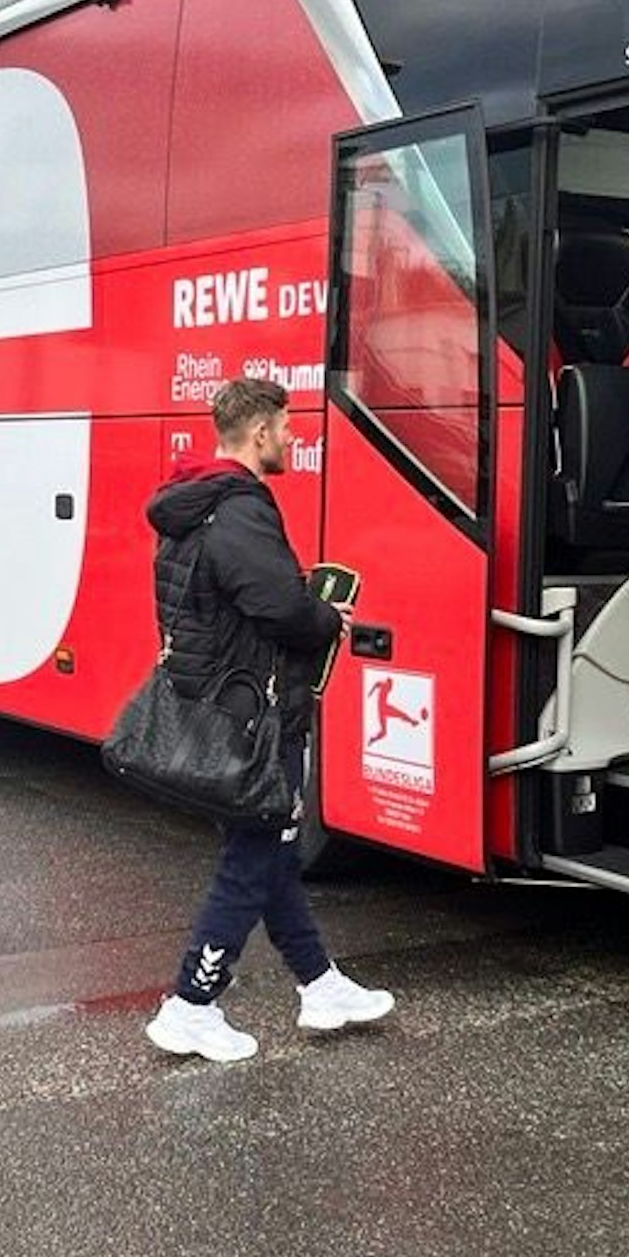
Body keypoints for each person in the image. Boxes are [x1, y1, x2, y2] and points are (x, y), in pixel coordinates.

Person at [142, 378, 395, 1063]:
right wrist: (325, 616)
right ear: (258, 433)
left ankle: (320, 985)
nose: (291, 437)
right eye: (285, 427)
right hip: (255, 716)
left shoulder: (196, 500)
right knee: (252, 859)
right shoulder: (241, 508)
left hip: (222, 707)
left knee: (274, 852)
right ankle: (191, 1004)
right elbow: (279, 609)